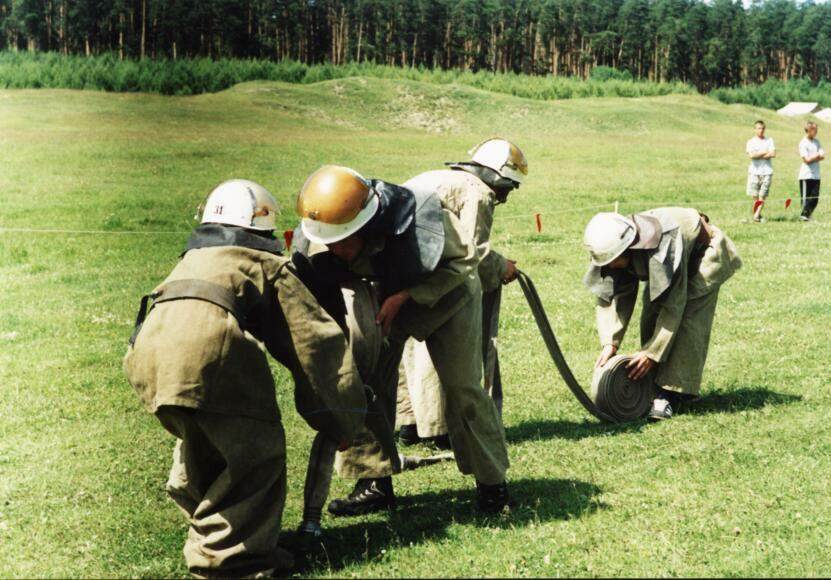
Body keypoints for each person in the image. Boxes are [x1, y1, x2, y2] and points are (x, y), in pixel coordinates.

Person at [123, 179, 368, 577]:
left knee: (203, 441)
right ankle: (232, 561)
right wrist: (342, 417)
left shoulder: (193, 258)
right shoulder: (265, 263)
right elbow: (314, 344)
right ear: (264, 230)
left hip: (147, 356)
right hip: (208, 353)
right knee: (255, 454)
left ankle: (213, 531)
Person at [293, 165, 512, 516]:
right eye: (329, 244)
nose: (334, 251)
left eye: (342, 243)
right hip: (384, 301)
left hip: (448, 295)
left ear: (364, 226)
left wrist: (407, 294)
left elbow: (464, 262)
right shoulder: (323, 233)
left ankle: (492, 485)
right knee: (366, 383)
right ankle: (373, 482)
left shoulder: (421, 218)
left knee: (463, 388)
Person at [396, 138, 528, 448]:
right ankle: (438, 429)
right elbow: (473, 253)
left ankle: (411, 423)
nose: (505, 197)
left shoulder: (437, 177)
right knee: (444, 341)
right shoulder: (478, 192)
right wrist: (502, 267)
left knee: (412, 347)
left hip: (405, 267)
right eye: (507, 187)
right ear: (495, 176)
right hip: (436, 273)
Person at [584, 207, 742, 421]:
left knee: (687, 322)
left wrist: (652, 353)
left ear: (628, 248)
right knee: (651, 313)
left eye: (613, 260)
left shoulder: (661, 249)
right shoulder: (614, 244)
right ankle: (651, 385)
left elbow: (673, 306)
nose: (610, 266)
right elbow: (615, 294)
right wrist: (610, 342)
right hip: (674, 261)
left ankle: (669, 395)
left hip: (704, 255)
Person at [746, 120, 775, 222]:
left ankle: (756, 215)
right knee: (755, 195)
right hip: (754, 171)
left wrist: (758, 154)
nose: (761, 130)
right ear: (755, 129)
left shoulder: (769, 140)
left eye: (763, 128)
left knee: (763, 195)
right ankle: (758, 215)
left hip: (767, 171)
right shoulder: (751, 142)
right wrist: (765, 152)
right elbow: (752, 155)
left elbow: (773, 154)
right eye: (759, 128)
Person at [798, 121, 826, 221]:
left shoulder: (817, 142)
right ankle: (804, 215)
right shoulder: (803, 143)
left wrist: (815, 157)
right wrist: (817, 156)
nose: (816, 131)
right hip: (806, 175)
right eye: (814, 130)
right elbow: (806, 160)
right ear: (808, 130)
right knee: (806, 198)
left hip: (816, 175)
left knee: (815, 198)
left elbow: (822, 156)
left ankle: (806, 215)